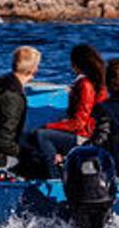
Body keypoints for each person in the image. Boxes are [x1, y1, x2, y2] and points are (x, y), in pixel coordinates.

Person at [15, 45, 108, 179]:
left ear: (75, 64)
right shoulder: (94, 83)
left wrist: (49, 126)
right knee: (28, 137)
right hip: (85, 134)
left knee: (42, 135)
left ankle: (56, 178)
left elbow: (79, 123)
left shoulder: (85, 85)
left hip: (84, 137)